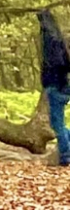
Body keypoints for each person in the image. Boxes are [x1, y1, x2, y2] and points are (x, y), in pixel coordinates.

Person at [41, 10, 69, 168]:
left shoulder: (51, 41)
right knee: (57, 122)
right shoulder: (58, 39)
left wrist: (51, 75)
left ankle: (65, 156)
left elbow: (58, 63)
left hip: (56, 87)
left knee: (57, 124)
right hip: (62, 86)